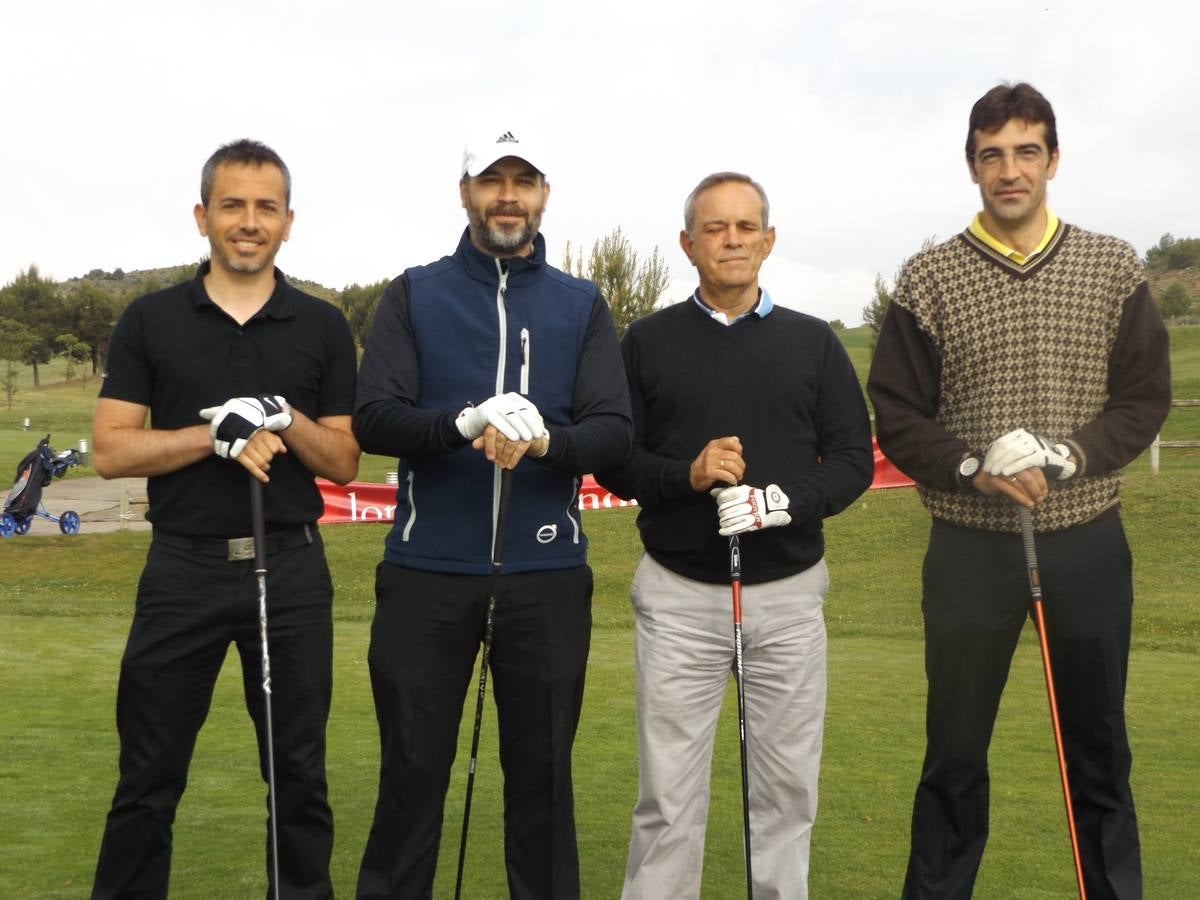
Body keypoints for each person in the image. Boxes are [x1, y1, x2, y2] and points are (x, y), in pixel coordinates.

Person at [867, 82, 1170, 900]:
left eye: (1026, 151)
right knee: (955, 753)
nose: (1011, 170)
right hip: (969, 546)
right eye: (993, 154)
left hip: (1087, 540)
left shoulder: (1112, 264)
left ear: (1053, 160)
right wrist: (972, 464)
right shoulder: (928, 277)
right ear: (971, 167)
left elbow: (1144, 399)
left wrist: (1070, 455)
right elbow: (896, 413)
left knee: (1099, 749)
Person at [352, 130, 632, 899]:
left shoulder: (582, 304)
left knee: (542, 783)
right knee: (410, 776)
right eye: (492, 179)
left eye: (525, 179)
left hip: (545, 575)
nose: (508, 194)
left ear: (545, 193)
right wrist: (465, 424)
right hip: (426, 573)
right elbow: (375, 417)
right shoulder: (413, 293)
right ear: (465, 191)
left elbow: (614, 432)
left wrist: (545, 442)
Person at [90, 139, 360, 900]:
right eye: (233, 206)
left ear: (288, 221)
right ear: (203, 216)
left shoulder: (322, 324)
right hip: (184, 568)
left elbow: (341, 459)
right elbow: (110, 451)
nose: (249, 222)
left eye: (265, 207)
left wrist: (283, 415)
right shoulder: (151, 319)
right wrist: (212, 435)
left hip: (293, 566)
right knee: (148, 775)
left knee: (299, 774)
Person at [596, 172, 874, 900]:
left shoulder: (814, 343)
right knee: (668, 800)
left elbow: (851, 462)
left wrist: (783, 501)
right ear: (688, 244)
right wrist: (686, 475)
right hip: (679, 596)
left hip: (785, 598)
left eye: (745, 227)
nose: (731, 240)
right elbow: (616, 461)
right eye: (714, 229)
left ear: (769, 240)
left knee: (784, 795)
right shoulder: (647, 341)